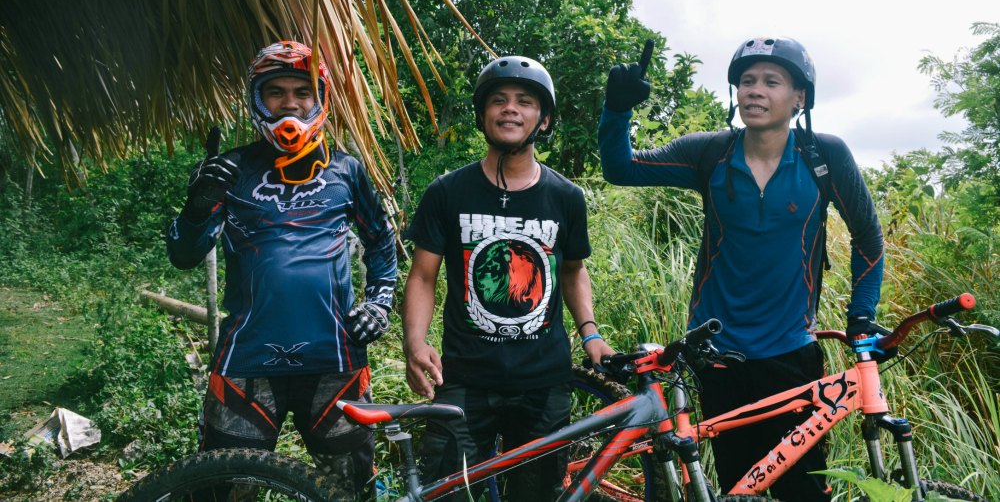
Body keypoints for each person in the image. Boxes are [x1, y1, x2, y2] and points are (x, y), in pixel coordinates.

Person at [598, 36, 884, 501]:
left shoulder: (824, 157)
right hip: (718, 355)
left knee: (804, 490)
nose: (755, 90)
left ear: (799, 99)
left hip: (792, 355)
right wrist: (617, 109)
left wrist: (861, 314)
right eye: (747, 81)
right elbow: (622, 167)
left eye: (772, 81)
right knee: (738, 487)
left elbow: (868, 239)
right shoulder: (709, 153)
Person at [166, 40, 397, 498]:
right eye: (276, 92)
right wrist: (195, 210)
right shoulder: (229, 168)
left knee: (351, 490)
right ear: (257, 99)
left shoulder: (347, 169)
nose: (290, 103)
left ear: (320, 99)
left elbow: (381, 240)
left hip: (336, 364)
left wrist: (381, 302)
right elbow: (184, 255)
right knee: (220, 491)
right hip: (248, 364)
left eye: (302, 91)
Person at [403, 56, 615, 501]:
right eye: (499, 100)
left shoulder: (565, 197)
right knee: (448, 493)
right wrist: (415, 343)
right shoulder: (448, 191)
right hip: (463, 378)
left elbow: (574, 269)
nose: (510, 109)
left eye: (525, 101)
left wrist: (590, 332)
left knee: (535, 495)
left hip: (543, 380)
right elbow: (423, 276)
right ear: (483, 114)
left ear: (545, 119)